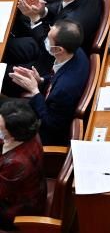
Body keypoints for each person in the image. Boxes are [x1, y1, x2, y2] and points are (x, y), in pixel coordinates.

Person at [6, 0, 101, 68]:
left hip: (51, 56)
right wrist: (42, 11)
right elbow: (60, 6)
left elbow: (49, 48)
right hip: (54, 34)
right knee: (22, 20)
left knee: (10, 49)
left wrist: (35, 18)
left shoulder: (72, 23)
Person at [8, 21, 89, 146]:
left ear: (58, 50)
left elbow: (51, 123)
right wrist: (40, 80)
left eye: (48, 39)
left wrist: (35, 91)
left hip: (44, 131)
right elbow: (55, 76)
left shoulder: (64, 89)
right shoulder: (76, 51)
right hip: (48, 104)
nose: (46, 39)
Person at [0, 100, 46, 228]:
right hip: (27, 189)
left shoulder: (15, 163)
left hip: (16, 212)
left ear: (12, 134)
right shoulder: (29, 130)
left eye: (1, 128)